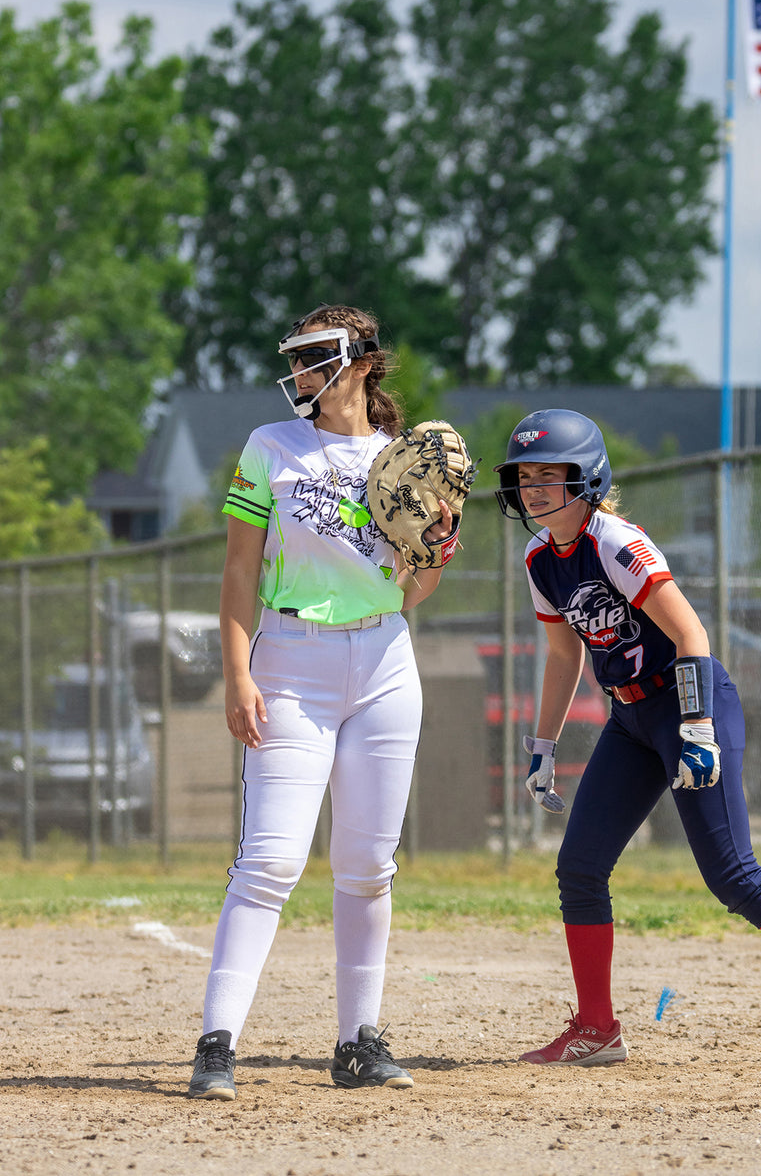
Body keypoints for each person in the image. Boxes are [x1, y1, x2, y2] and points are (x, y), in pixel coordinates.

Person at [494, 409, 761, 1066]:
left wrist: (697, 728)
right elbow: (564, 656)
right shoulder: (540, 557)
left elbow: (692, 639)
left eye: (550, 474)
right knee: (579, 867)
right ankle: (597, 1028)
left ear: (587, 477)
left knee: (733, 875)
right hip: (630, 720)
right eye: (525, 476)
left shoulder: (614, 543)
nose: (535, 487)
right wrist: (543, 747)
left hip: (688, 703)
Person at [187, 303, 455, 1101]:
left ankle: (358, 1042)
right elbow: (239, 572)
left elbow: (411, 592)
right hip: (291, 663)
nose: (301, 371)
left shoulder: (399, 461)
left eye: (317, 356)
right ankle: (217, 1043)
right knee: (270, 859)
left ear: (364, 361)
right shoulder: (272, 447)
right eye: (296, 356)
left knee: (370, 866)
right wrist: (239, 674)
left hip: (381, 662)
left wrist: (436, 547)